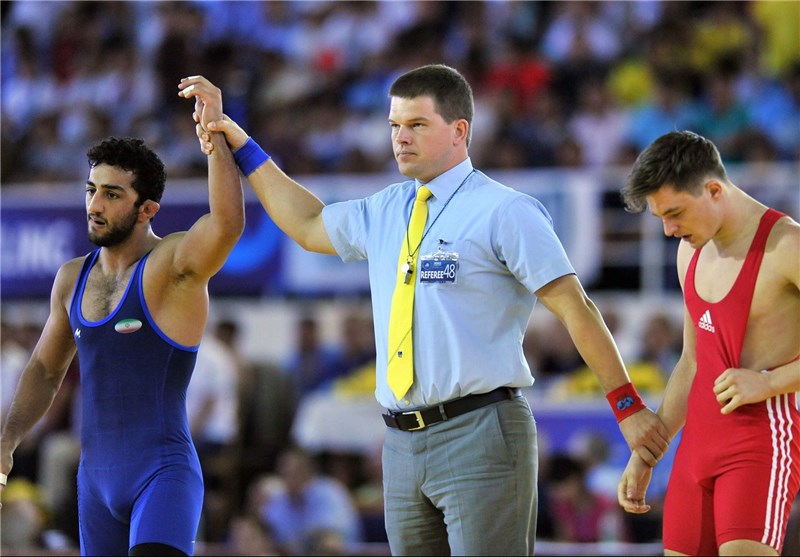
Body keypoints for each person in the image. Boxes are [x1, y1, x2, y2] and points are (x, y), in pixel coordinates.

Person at [178, 64, 669, 556]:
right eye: (394, 126)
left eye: (416, 125)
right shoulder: (386, 208)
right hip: (400, 441)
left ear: (459, 131)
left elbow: (575, 307)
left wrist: (627, 407)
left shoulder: (504, 210)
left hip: (482, 431)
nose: (400, 138)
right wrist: (240, 143)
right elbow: (307, 223)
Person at [0, 89, 244, 556]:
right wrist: (7, 440)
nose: (95, 204)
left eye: (112, 195)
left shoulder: (172, 266)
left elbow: (227, 225)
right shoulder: (72, 277)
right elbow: (45, 371)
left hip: (162, 476)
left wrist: (214, 136)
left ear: (146, 208)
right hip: (94, 484)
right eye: (92, 190)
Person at [617, 130, 800, 556]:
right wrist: (647, 454)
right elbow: (691, 363)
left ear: (714, 189)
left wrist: (770, 383)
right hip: (695, 448)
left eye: (675, 213)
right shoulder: (690, 253)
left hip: (759, 442)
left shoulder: (786, 245)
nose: (668, 230)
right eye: (661, 217)